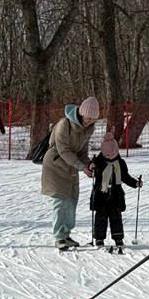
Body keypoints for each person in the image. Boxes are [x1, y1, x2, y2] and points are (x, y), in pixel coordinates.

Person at [40, 96, 99, 251]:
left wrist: (88, 164)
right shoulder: (64, 124)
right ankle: (59, 237)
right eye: (88, 118)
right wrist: (81, 166)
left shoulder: (88, 129)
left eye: (93, 119)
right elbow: (63, 150)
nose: (89, 121)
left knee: (72, 201)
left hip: (72, 167)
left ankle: (66, 234)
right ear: (81, 113)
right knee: (61, 201)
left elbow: (82, 152)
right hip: (55, 165)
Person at [88, 133, 141, 252]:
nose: (110, 156)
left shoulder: (120, 163)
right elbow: (91, 170)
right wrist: (91, 166)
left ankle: (118, 238)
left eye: (113, 153)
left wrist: (135, 183)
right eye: (107, 154)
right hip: (101, 194)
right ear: (103, 152)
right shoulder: (99, 161)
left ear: (117, 151)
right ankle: (99, 238)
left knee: (116, 217)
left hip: (116, 195)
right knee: (100, 218)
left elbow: (125, 177)